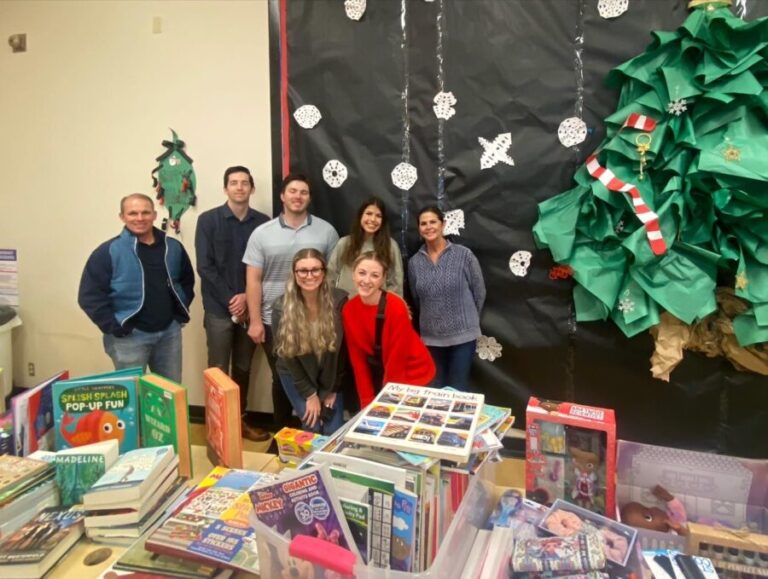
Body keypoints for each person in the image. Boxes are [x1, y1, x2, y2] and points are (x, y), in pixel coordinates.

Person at [243, 173, 339, 429]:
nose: (298, 196)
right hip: (274, 317)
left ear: (309, 198)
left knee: (317, 369)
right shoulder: (261, 233)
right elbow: (253, 279)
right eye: (293, 191)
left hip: (315, 316)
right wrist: (254, 321)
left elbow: (331, 275)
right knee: (281, 376)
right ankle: (283, 434)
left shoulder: (326, 231)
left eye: (304, 192)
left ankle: (317, 422)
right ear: (282, 196)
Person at [78, 193, 194, 382]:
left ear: (154, 215)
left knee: (170, 395)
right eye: (133, 213)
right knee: (132, 397)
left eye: (145, 212)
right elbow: (89, 296)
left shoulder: (173, 247)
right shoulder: (107, 252)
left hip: (169, 335)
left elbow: (186, 282)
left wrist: (178, 315)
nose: (140, 218)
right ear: (122, 217)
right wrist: (115, 327)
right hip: (128, 337)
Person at [195, 166, 270, 442]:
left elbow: (265, 265)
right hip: (218, 309)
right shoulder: (208, 220)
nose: (239, 187)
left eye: (244, 183)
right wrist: (232, 297)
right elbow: (205, 266)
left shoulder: (263, 223)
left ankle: (238, 422)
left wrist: (245, 298)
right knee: (217, 369)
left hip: (250, 308)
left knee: (243, 368)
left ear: (252, 188)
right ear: (225, 188)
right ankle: (216, 427)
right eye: (233, 183)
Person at [342, 252, 435, 407]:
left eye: (375, 275)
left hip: (415, 374)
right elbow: (358, 359)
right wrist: (366, 401)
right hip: (384, 374)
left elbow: (396, 360)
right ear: (353, 274)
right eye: (362, 273)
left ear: (383, 279)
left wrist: (388, 403)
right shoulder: (348, 309)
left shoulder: (396, 306)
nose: (366, 280)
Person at [408, 206, 486, 390]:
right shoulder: (414, 263)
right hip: (431, 339)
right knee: (435, 393)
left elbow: (479, 292)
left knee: (458, 391)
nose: (428, 227)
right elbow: (417, 298)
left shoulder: (464, 255)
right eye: (423, 223)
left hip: (463, 337)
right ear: (419, 228)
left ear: (443, 225)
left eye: (433, 222)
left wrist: (467, 321)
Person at [272, 248, 347, 434]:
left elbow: (343, 352)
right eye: (303, 271)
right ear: (294, 274)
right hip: (296, 373)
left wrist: (333, 389)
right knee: (312, 426)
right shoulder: (281, 308)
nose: (309, 275)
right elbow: (288, 356)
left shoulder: (340, 301)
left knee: (333, 431)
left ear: (324, 272)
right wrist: (310, 395)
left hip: (330, 373)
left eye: (315, 269)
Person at [327, 196, 403, 295]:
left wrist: (388, 307)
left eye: (378, 216)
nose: (373, 219)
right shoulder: (344, 243)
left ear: (383, 221)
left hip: (377, 307)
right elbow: (330, 276)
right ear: (360, 216)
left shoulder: (390, 246)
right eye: (369, 213)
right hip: (345, 306)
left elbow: (396, 282)